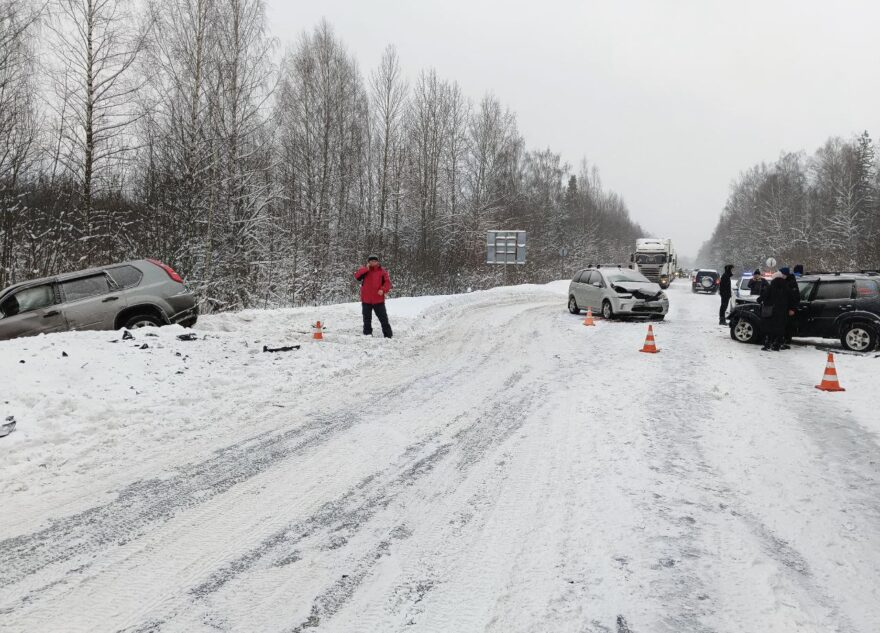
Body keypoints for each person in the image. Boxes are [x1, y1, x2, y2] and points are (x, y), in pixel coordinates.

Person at [355, 256, 393, 338]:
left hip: (378, 300)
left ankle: (388, 335)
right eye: (371, 261)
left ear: (378, 262)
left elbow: (387, 283)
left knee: (383, 319)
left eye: (375, 261)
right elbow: (357, 276)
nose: (373, 262)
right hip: (366, 300)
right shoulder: (364, 270)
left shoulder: (382, 271)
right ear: (368, 262)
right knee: (367, 319)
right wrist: (366, 269)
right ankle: (367, 334)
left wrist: (383, 290)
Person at [758, 272, 791, 351]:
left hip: (772, 310)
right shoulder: (786, 286)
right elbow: (790, 297)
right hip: (782, 311)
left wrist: (759, 300)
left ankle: (768, 344)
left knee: (770, 328)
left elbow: (765, 295)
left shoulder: (771, 286)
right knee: (780, 328)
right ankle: (777, 345)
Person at [780, 266, 800, 349]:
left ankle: (786, 340)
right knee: (783, 324)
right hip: (784, 307)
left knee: (787, 325)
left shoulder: (791, 283)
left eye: (781, 273)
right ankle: (783, 339)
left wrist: (792, 308)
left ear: (785, 274)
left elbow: (795, 297)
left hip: (789, 308)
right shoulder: (785, 281)